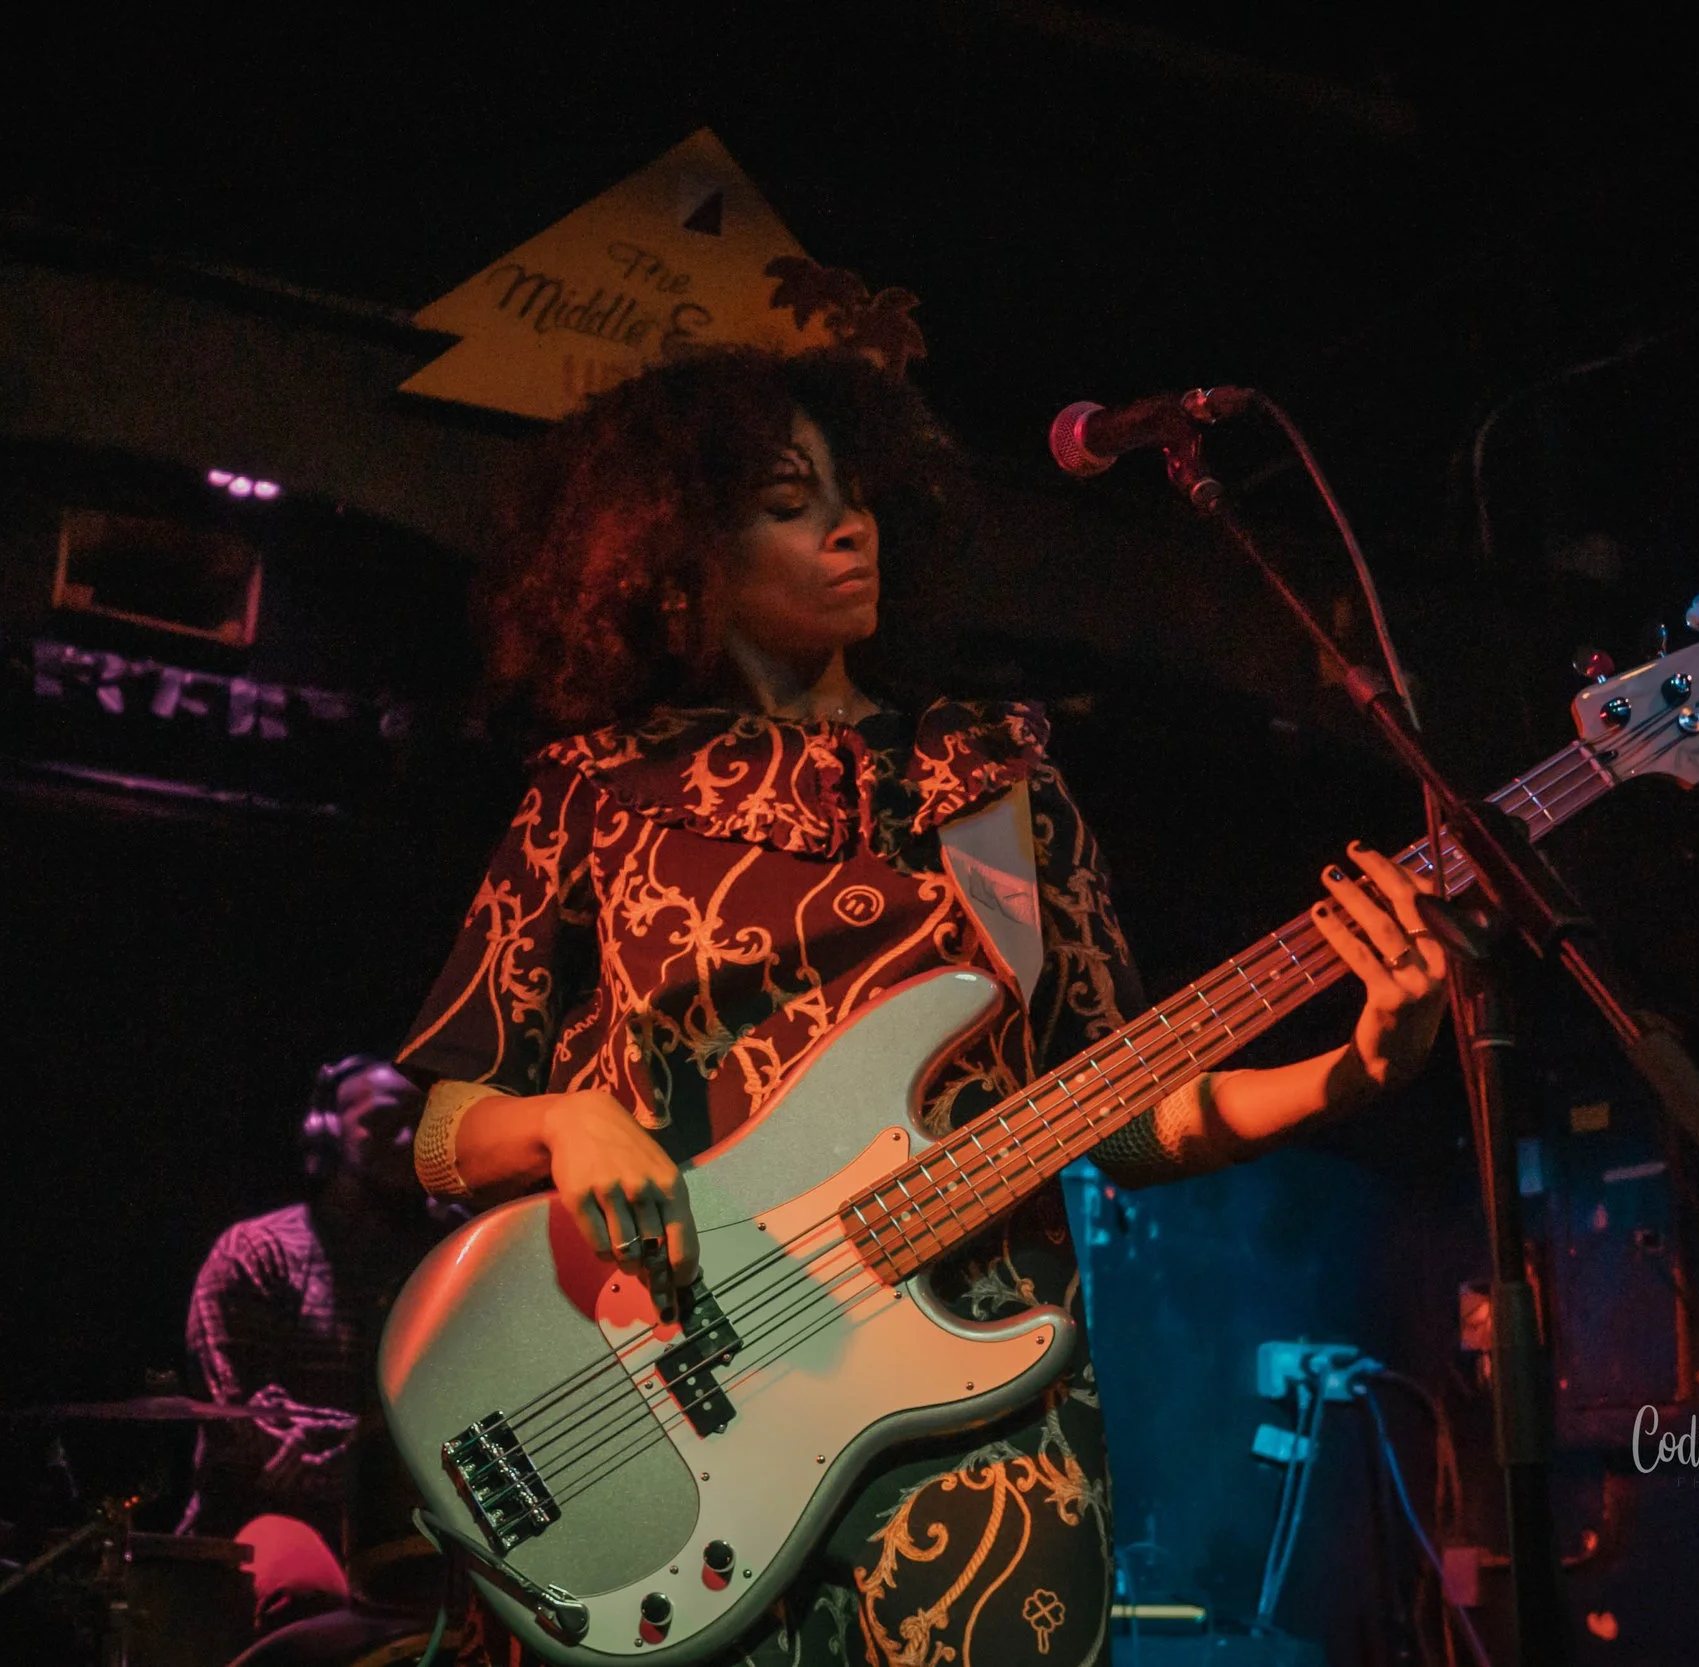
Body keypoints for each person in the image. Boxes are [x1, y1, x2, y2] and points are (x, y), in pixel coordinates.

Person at [394, 347, 1449, 1667]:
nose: (853, 526)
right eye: (792, 503)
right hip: (666, 1399)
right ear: (678, 559)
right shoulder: (596, 795)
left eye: (856, 494)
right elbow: (440, 1125)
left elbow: (1121, 1107)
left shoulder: (987, 782)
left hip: (982, 1427)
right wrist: (561, 1122)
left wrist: (1354, 1069)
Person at [182, 1054, 453, 1633]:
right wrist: (369, 1450)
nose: (409, 1139)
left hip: (410, 1523)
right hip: (270, 1517)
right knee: (304, 1594)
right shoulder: (258, 1253)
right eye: (384, 1121)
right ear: (326, 1132)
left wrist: (336, 1442)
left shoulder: (452, 1252)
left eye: (422, 1122)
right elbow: (246, 1434)